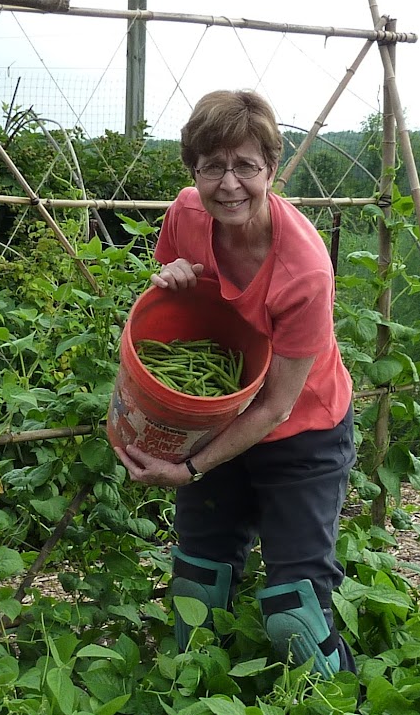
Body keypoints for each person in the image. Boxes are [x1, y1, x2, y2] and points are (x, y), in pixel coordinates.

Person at [111, 90, 355, 675]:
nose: (228, 183)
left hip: (301, 431)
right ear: (193, 171)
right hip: (213, 416)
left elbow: (276, 404)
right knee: (198, 584)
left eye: (246, 165)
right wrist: (168, 274)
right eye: (212, 166)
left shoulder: (303, 270)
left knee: (295, 614)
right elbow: (177, 314)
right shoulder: (187, 215)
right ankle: (198, 714)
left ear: (271, 167)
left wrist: (191, 468)